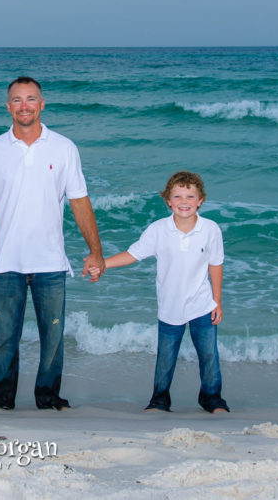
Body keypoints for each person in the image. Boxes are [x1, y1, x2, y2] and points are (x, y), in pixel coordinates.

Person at [0, 76, 106, 411]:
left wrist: (95, 252)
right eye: (17, 100)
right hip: (7, 262)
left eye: (31, 99)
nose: (24, 106)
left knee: (53, 339)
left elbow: (80, 202)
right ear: (8, 106)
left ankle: (49, 397)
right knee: (2, 339)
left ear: (42, 104)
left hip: (51, 263)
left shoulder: (64, 148)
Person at [101, 171, 229, 413]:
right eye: (177, 196)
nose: (184, 201)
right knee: (165, 358)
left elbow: (216, 264)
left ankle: (212, 399)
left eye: (190, 196)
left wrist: (217, 301)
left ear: (200, 200)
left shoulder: (210, 229)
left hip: (202, 305)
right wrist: (103, 263)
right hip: (170, 306)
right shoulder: (158, 230)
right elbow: (133, 254)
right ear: (168, 200)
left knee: (209, 356)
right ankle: (159, 400)